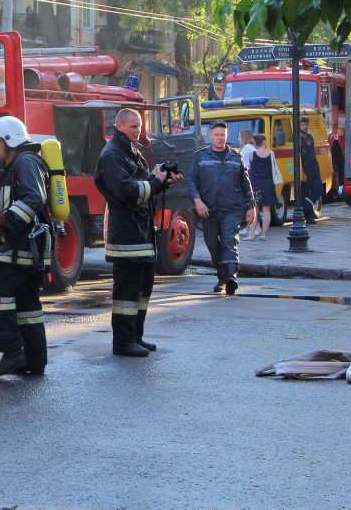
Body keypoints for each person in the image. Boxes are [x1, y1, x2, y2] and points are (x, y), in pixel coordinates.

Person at [94, 108, 182, 357]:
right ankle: (122, 343)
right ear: (119, 126)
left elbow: (143, 184)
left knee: (143, 290)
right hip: (126, 234)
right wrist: (156, 182)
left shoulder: (133, 152)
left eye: (140, 125)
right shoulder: (112, 155)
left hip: (141, 231)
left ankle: (136, 337)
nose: (138, 130)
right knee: (127, 292)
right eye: (133, 126)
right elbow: (128, 191)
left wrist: (163, 179)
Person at [0, 116, 49, 377]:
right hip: (23, 246)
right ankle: (35, 359)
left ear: (9, 141)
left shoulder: (25, 161)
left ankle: (12, 353)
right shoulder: (14, 166)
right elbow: (15, 200)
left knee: (0, 293)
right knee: (28, 305)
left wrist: (3, 221)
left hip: (21, 246)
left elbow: (34, 198)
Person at [189, 120, 255, 295]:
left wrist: (251, 206)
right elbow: (192, 181)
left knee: (229, 241)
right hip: (208, 210)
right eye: (216, 135)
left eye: (223, 135)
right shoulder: (200, 157)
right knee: (212, 243)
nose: (220, 138)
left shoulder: (236, 157)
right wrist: (198, 201)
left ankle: (231, 277)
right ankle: (221, 277)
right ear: (210, 136)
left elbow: (245, 183)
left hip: (231, 208)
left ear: (227, 136)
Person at [247, 134, 279, 241]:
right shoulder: (270, 154)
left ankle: (251, 234)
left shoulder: (252, 154)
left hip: (255, 183)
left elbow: (250, 167)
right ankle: (264, 234)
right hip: (268, 182)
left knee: (254, 209)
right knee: (266, 210)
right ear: (264, 142)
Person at [299, 116, 324, 224]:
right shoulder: (297, 139)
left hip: (314, 168)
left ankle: (303, 208)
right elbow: (298, 156)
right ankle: (308, 216)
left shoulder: (309, 137)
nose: (305, 127)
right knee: (305, 192)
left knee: (318, 189)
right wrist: (302, 172)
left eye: (306, 124)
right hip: (305, 169)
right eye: (302, 125)